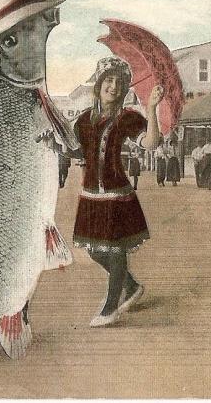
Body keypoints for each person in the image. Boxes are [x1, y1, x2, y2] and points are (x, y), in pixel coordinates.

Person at [71, 56, 163, 327]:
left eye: (119, 83)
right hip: (90, 195)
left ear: (124, 89)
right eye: (108, 80)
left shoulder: (128, 118)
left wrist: (153, 109)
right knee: (94, 250)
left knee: (115, 249)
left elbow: (149, 143)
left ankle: (111, 306)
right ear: (99, 84)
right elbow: (75, 150)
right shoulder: (83, 120)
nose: (113, 87)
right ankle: (131, 286)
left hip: (117, 194)